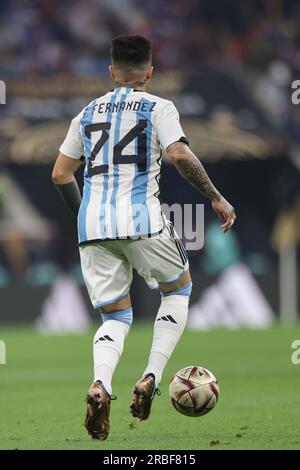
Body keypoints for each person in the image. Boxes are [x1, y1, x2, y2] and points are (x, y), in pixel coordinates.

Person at [52, 35, 236, 441]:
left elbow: (60, 174)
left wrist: (84, 215)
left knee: (115, 316)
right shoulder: (159, 107)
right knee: (178, 290)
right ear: (150, 73)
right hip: (143, 220)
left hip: (93, 227)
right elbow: (181, 155)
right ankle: (151, 375)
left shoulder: (85, 113)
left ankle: (101, 384)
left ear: (111, 72)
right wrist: (216, 198)